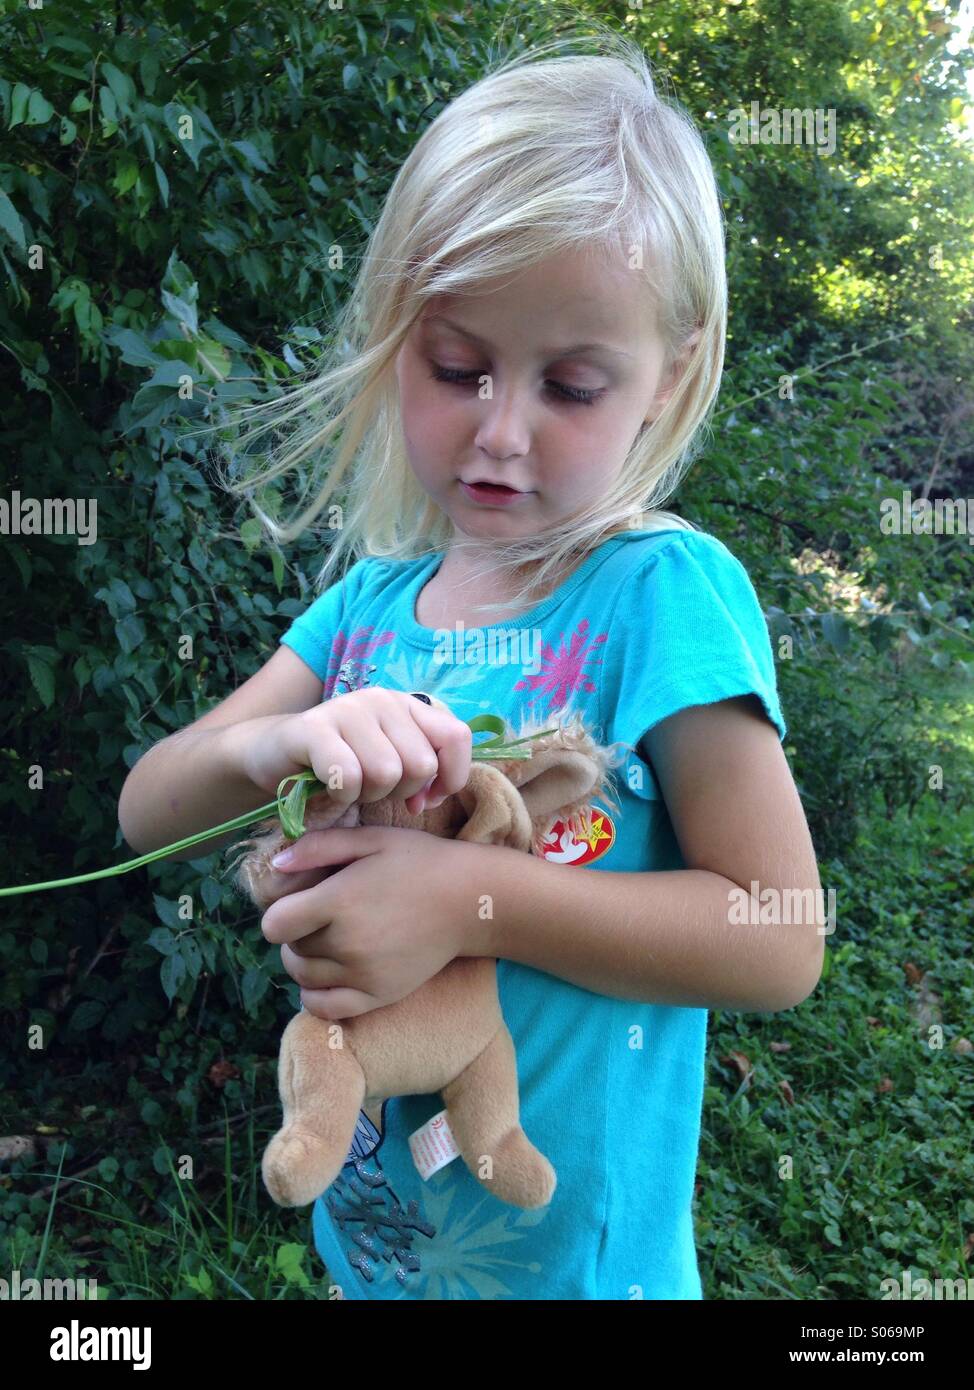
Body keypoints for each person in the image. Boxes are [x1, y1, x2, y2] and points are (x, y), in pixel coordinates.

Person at [118, 32, 824, 1300]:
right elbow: (148, 805)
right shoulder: (362, 607)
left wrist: (468, 897)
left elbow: (777, 936)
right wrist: (264, 746)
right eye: (458, 367)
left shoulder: (656, 595)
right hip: (373, 1256)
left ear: (664, 383)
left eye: (569, 382)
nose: (500, 428)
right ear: (396, 341)